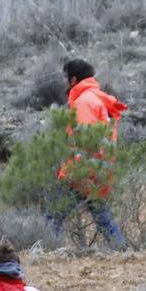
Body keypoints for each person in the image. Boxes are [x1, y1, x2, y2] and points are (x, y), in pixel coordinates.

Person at [51, 58, 127, 246]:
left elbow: (85, 139)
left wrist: (75, 173)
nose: (64, 82)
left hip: (82, 173)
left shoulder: (84, 102)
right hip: (98, 171)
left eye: (65, 78)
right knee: (102, 218)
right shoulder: (95, 99)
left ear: (74, 79)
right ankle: (122, 251)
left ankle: (45, 252)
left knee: (53, 215)